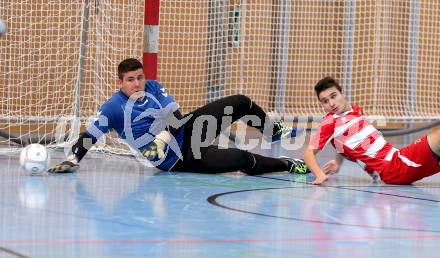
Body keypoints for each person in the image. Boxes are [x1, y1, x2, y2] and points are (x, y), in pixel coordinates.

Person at [48, 58, 309, 175]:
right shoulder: (112, 108)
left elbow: (175, 115)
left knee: (240, 102)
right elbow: (89, 136)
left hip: (188, 130)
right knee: (241, 158)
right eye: (131, 80)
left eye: (140, 77)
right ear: (121, 83)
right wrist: (73, 159)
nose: (137, 84)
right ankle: (288, 164)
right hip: (178, 158)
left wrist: (159, 140)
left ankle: (272, 131)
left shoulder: (153, 86)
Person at [304, 76, 440, 185]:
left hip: (397, 163)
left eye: (333, 96)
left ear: (342, 93)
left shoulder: (356, 110)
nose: (331, 103)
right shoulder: (329, 122)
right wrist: (320, 175)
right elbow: (309, 153)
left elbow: (343, 143)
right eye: (325, 101)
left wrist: (338, 163)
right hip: (394, 166)